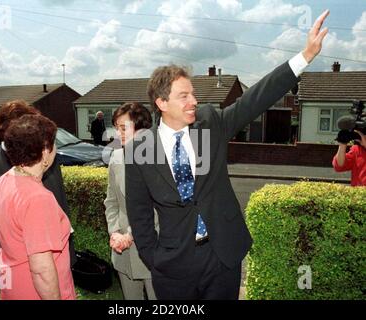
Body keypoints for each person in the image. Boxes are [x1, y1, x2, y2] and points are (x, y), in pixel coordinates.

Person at [125, 10, 330, 299]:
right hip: (173, 268)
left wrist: (305, 56)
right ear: (161, 102)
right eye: (184, 96)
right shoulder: (139, 150)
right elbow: (140, 213)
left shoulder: (210, 122)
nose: (194, 101)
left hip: (222, 258)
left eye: (193, 94)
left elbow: (253, 100)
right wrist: (155, 260)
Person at [0, 100, 76, 279]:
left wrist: (69, 254)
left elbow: (60, 202)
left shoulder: (48, 156)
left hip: (54, 257)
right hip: (13, 265)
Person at [0, 113, 76, 300]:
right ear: (45, 152)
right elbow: (42, 270)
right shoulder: (38, 198)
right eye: (54, 145)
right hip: (34, 290)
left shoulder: (3, 181)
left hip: (12, 283)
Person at [104, 102, 157, 300]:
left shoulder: (158, 159)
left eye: (123, 128)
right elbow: (111, 201)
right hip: (123, 252)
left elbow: (158, 208)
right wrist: (115, 232)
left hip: (152, 249)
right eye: (116, 128)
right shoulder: (116, 157)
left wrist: (130, 236)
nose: (118, 134)